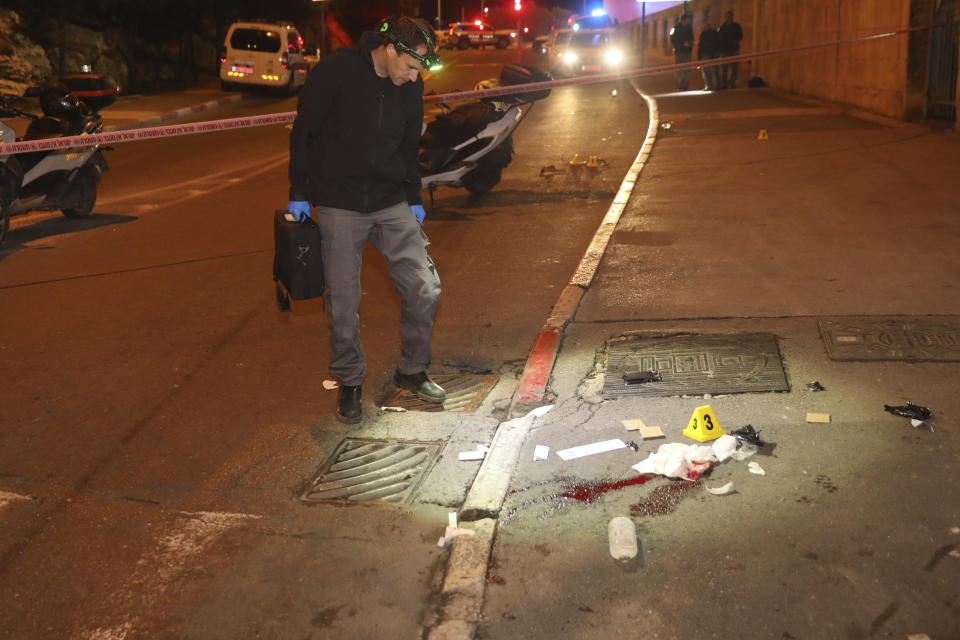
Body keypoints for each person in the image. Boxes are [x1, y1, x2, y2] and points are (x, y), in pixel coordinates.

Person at [286, 16, 446, 424]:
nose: (414, 79)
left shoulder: (410, 86)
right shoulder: (335, 73)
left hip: (391, 199)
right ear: (390, 49)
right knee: (343, 301)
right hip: (340, 202)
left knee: (424, 287)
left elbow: (410, 144)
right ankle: (350, 381)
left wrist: (412, 197)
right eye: (411, 67)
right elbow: (304, 132)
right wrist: (300, 193)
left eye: (419, 71)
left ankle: (412, 369)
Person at [718, 10, 743, 89]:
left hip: (733, 50)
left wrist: (735, 42)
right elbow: (720, 38)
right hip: (725, 50)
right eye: (726, 16)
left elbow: (740, 36)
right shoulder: (723, 27)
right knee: (724, 68)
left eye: (729, 16)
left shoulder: (736, 26)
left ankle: (732, 83)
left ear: (732, 17)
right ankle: (724, 83)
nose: (727, 18)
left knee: (734, 68)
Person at [669, 14, 694, 91]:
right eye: (688, 19)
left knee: (687, 69)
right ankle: (679, 85)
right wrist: (680, 44)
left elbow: (692, 38)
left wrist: (689, 44)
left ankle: (685, 85)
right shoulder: (675, 28)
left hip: (687, 52)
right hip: (679, 51)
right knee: (679, 69)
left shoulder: (689, 28)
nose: (689, 21)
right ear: (684, 20)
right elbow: (672, 39)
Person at [697, 21, 720, 91]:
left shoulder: (714, 33)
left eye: (706, 26)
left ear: (709, 26)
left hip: (712, 55)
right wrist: (699, 57)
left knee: (713, 72)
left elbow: (717, 43)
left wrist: (716, 53)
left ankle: (716, 86)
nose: (704, 27)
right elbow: (700, 46)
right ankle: (708, 86)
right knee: (705, 72)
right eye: (704, 26)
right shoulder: (703, 34)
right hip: (704, 55)